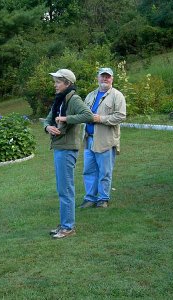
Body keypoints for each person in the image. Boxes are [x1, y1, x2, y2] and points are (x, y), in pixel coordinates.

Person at [43, 69, 93, 239]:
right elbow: (48, 119)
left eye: (58, 81)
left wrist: (66, 118)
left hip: (67, 149)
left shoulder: (74, 99)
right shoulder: (59, 100)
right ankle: (65, 224)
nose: (55, 85)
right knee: (62, 188)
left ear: (67, 83)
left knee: (66, 189)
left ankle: (68, 227)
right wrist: (47, 127)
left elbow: (88, 115)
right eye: (55, 81)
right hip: (59, 147)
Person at [80, 67, 126, 208]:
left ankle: (103, 199)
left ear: (112, 79)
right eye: (102, 76)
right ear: (98, 78)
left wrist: (100, 119)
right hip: (89, 139)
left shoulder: (117, 95)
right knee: (89, 171)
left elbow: (121, 116)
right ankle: (90, 198)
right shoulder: (90, 95)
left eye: (108, 76)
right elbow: (83, 112)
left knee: (104, 172)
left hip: (106, 140)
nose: (105, 79)